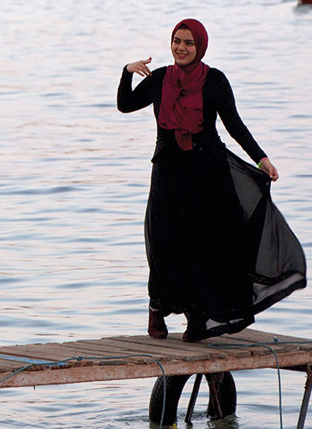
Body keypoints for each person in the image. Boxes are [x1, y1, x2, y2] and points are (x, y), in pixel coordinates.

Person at [117, 19, 283, 342]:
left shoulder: (215, 81)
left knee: (205, 244)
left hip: (208, 173)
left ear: (200, 47)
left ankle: (197, 316)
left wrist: (261, 159)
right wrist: (126, 71)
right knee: (164, 241)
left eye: (188, 43)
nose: (181, 48)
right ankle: (157, 307)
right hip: (167, 172)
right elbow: (124, 105)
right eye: (177, 41)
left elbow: (234, 124)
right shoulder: (160, 78)